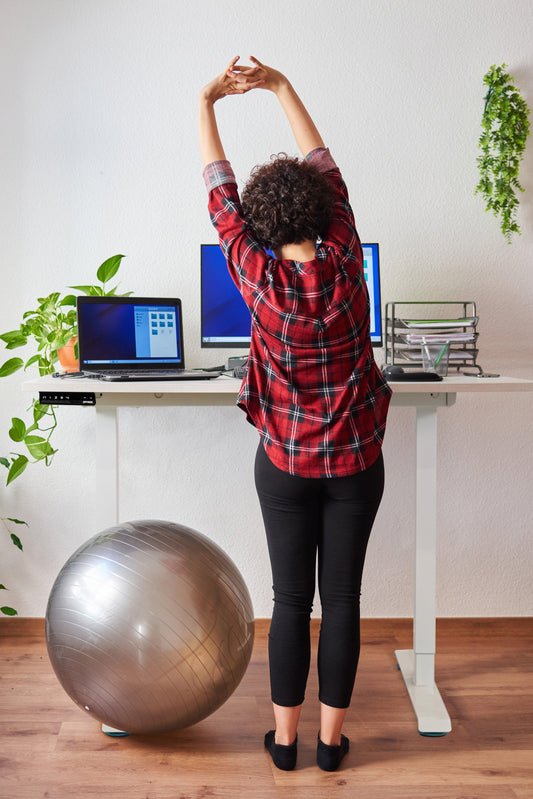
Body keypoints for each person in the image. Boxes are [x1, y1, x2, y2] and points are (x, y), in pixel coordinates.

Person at [198, 57, 391, 772]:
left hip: (283, 461)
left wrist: (207, 100)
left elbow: (216, 186)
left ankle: (283, 742)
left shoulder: (254, 271)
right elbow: (323, 162)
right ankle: (332, 742)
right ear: (321, 207)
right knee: (341, 598)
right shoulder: (344, 256)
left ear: (254, 224)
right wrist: (279, 87)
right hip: (356, 462)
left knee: (289, 600)